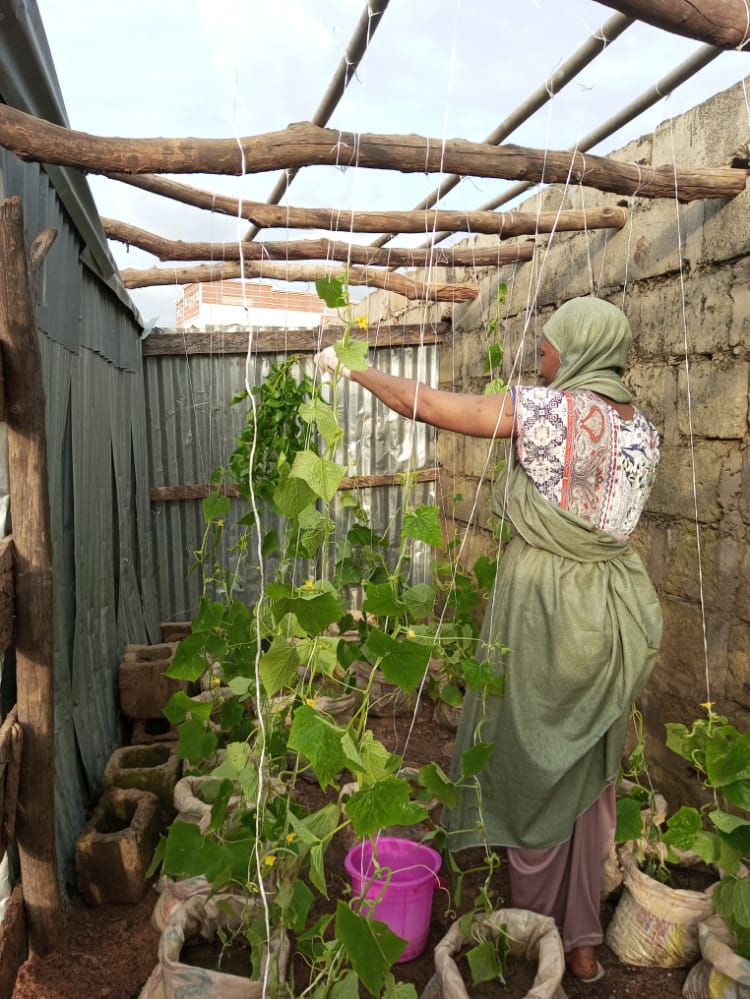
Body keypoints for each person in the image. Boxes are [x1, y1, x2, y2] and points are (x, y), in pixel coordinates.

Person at [314, 295, 663, 982]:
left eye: (552, 343)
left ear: (583, 349)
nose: (542, 354)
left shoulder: (550, 412)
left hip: (548, 614)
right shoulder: (644, 430)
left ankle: (530, 937)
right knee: (591, 781)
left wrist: (354, 368)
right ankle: (583, 943)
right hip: (614, 614)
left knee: (530, 766)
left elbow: (431, 406)